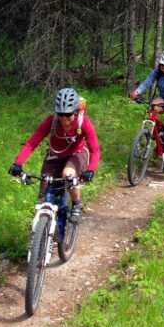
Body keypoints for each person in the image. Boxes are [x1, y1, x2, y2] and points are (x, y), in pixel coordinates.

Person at [8, 87, 100, 224]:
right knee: (44, 193)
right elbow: (32, 143)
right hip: (55, 155)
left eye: (68, 114)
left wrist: (91, 170)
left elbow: (95, 150)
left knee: (68, 175)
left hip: (76, 154)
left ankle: (76, 205)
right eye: (60, 114)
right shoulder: (52, 121)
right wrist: (18, 163)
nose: (64, 118)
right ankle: (42, 228)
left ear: (75, 111)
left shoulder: (83, 123)